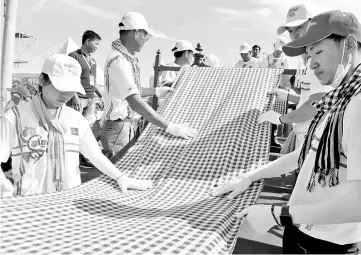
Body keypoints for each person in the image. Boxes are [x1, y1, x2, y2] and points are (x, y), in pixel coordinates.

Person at [212, 10, 361, 254]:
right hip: (302, 229)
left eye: (319, 51)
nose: (311, 63)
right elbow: (306, 153)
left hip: (328, 243)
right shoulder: (340, 97)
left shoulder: (356, 103)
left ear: (350, 45)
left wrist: (279, 213)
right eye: (309, 54)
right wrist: (250, 177)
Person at [0, 54, 153, 198]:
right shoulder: (16, 116)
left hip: (69, 200)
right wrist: (3, 187)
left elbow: (95, 155)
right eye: (60, 87)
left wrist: (120, 177)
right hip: (29, 203)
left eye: (70, 88)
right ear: (42, 80)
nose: (66, 94)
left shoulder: (75, 119)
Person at [102, 12, 197, 161]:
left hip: (123, 127)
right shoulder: (118, 60)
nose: (146, 40)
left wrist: (156, 91)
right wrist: (170, 126)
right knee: (117, 176)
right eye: (145, 35)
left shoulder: (126, 59)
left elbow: (134, 89)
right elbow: (134, 101)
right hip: (118, 129)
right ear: (136, 33)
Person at [258, 4, 332, 149]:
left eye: (299, 27)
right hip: (307, 132)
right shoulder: (308, 59)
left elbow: (317, 105)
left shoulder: (317, 60)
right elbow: (310, 98)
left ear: (312, 24)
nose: (294, 34)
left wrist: (281, 118)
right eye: (291, 30)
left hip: (313, 135)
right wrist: (287, 96)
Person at [68, 30, 103, 125]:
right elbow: (69, 79)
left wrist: (101, 96)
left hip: (91, 100)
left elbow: (94, 81)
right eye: (96, 43)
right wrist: (74, 97)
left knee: (84, 129)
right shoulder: (74, 56)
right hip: (79, 99)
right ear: (87, 41)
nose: (97, 47)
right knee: (73, 127)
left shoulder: (93, 61)